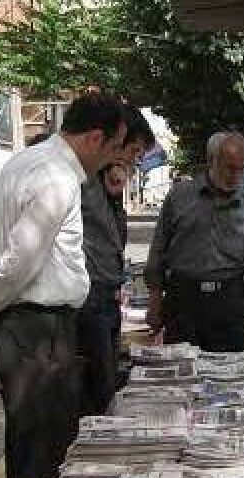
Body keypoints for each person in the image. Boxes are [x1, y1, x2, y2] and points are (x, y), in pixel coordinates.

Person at [0, 94, 127, 478]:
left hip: (31, 327)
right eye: (114, 146)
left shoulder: (24, 164)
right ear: (94, 138)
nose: (113, 157)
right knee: (43, 454)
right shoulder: (56, 177)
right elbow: (20, 257)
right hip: (36, 331)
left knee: (33, 451)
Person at [144, 131, 244, 352]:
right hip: (184, 301)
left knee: (233, 374)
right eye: (230, 167)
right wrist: (154, 301)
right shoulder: (179, 197)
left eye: (241, 168)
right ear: (211, 162)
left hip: (228, 302)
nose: (236, 175)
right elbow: (158, 251)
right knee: (182, 376)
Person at [77, 106, 155, 416]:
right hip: (87, 301)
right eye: (133, 150)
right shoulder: (83, 183)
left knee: (107, 391)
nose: (135, 161)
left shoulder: (109, 188)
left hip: (106, 300)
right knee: (96, 395)